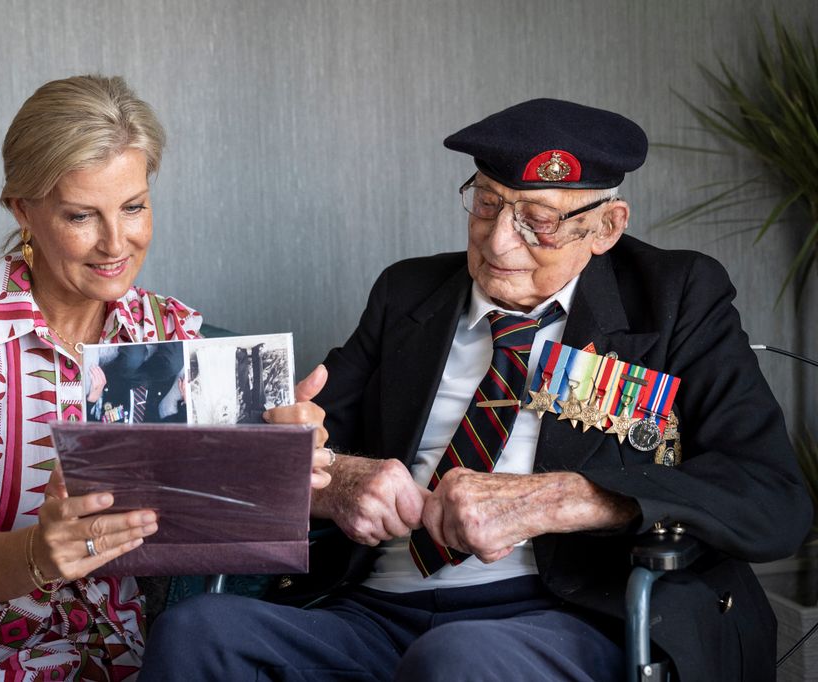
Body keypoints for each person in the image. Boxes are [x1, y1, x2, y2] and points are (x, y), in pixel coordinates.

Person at [140, 98, 813, 681]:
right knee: (198, 631)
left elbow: (770, 497)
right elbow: (311, 442)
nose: (499, 242)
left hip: (569, 614)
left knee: (457, 658)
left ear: (606, 226)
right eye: (487, 203)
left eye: (539, 220)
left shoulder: (675, 297)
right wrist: (330, 475)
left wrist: (558, 498)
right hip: (378, 609)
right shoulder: (408, 293)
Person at [0, 75, 332, 680]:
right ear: (23, 209)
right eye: (81, 216)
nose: (115, 243)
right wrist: (38, 553)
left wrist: (285, 455)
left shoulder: (171, 333)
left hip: (92, 655)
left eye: (134, 207)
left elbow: (222, 524)